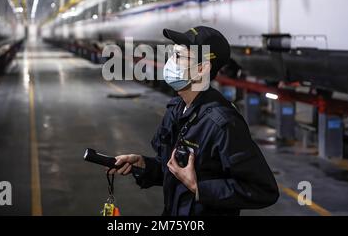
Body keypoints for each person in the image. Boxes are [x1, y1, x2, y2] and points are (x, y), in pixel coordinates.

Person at [111, 26, 279, 216]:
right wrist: (144, 165)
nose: (171, 62)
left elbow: (264, 190)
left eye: (180, 57)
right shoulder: (176, 109)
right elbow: (173, 169)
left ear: (201, 69)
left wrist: (198, 187)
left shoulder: (222, 124)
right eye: (173, 54)